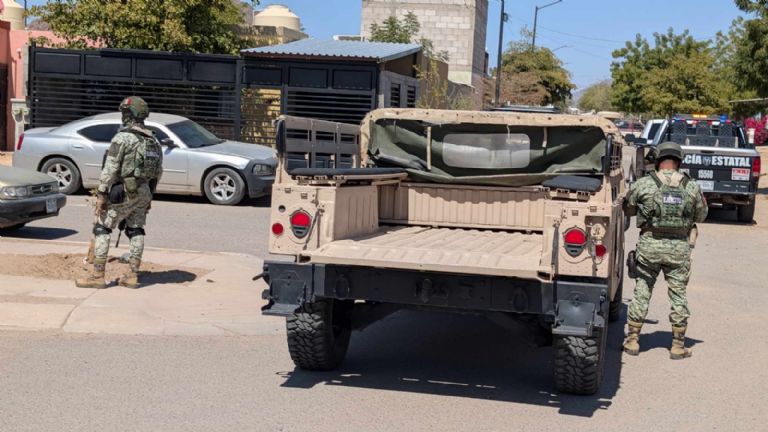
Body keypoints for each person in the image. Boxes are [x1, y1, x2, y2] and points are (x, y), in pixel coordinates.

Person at [622, 141, 708, 360]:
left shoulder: (644, 184)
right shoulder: (691, 186)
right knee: (678, 294)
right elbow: (701, 216)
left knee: (642, 290)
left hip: (650, 246)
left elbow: (628, 209)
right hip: (679, 249)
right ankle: (678, 345)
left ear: (658, 159)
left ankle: (632, 340)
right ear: (679, 161)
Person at [76, 96, 163, 289]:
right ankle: (132, 275)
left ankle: (97, 276)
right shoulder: (153, 140)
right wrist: (149, 196)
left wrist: (101, 194)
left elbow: (110, 168)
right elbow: (158, 172)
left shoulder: (122, 138)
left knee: (102, 228)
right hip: (144, 192)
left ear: (127, 115)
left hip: (123, 192)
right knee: (136, 230)